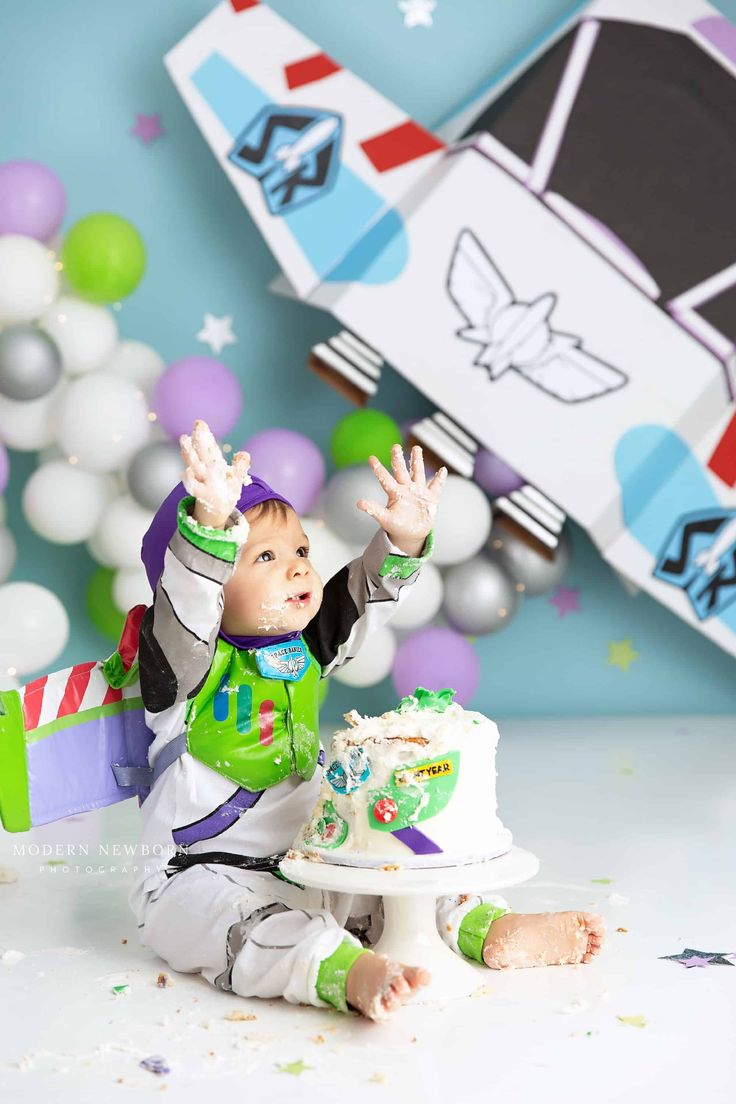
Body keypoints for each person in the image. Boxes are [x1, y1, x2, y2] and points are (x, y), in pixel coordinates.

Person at [130, 419, 604, 1022]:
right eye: (266, 556)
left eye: (301, 550)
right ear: (214, 579)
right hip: (198, 875)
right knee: (248, 933)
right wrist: (210, 530)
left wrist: (402, 544)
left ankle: (489, 928)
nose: (299, 568)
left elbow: (355, 604)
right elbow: (187, 610)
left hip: (306, 862)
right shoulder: (182, 665)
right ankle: (345, 972)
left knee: (401, 883)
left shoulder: (300, 650)